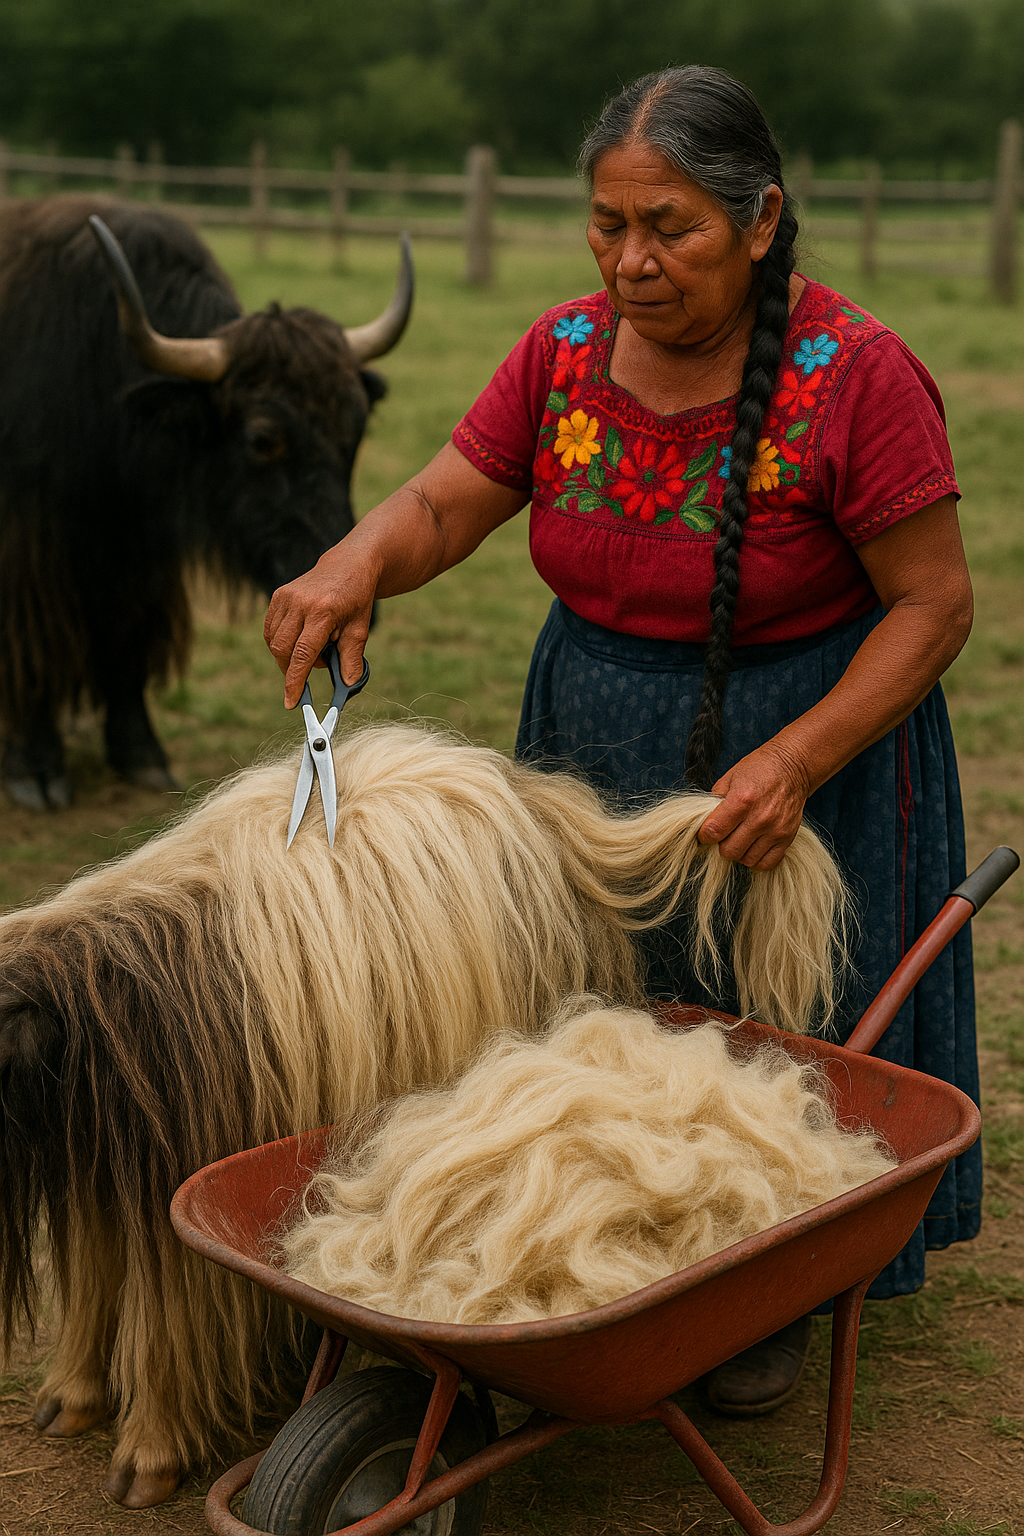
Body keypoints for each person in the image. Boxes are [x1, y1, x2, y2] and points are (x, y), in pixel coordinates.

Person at [264, 66, 979, 1415]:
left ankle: (768, 1277)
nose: (632, 262)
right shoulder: (562, 354)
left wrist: (801, 760)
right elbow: (439, 502)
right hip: (588, 733)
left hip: (799, 746)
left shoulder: (856, 376)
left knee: (785, 1029)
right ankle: (617, 1251)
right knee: (597, 1017)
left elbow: (934, 607)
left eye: (671, 229)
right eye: (608, 226)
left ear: (761, 222)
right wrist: (354, 562)